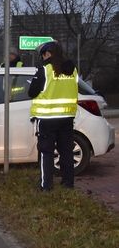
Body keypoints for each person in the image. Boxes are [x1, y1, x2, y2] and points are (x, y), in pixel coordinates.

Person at [28, 41, 78, 191]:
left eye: (43, 55)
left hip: (48, 119)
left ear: (48, 54)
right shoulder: (72, 70)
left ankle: (46, 186)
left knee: (47, 152)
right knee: (66, 152)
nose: (42, 58)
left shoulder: (45, 70)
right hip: (67, 117)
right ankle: (68, 184)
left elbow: (32, 92)